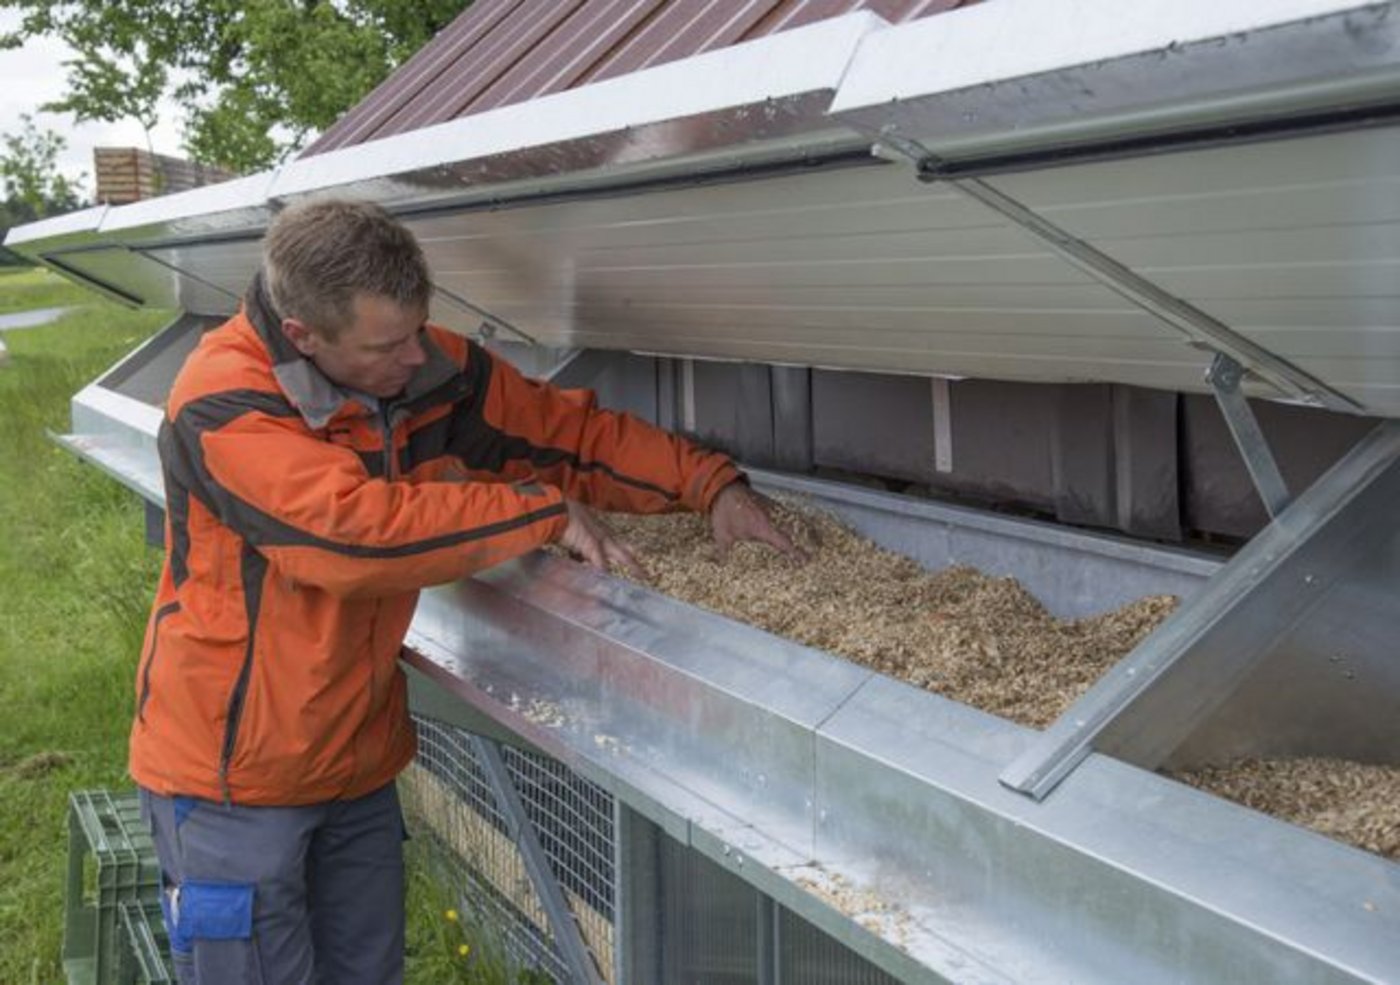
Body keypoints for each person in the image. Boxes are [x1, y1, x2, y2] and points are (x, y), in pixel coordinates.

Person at [132, 198, 800, 984]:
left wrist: (710, 484)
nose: (416, 355)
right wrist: (538, 510)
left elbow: (565, 433)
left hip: (354, 759)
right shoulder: (225, 399)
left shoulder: (425, 370)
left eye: (419, 327)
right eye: (388, 344)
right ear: (304, 334)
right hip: (234, 778)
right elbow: (350, 537)